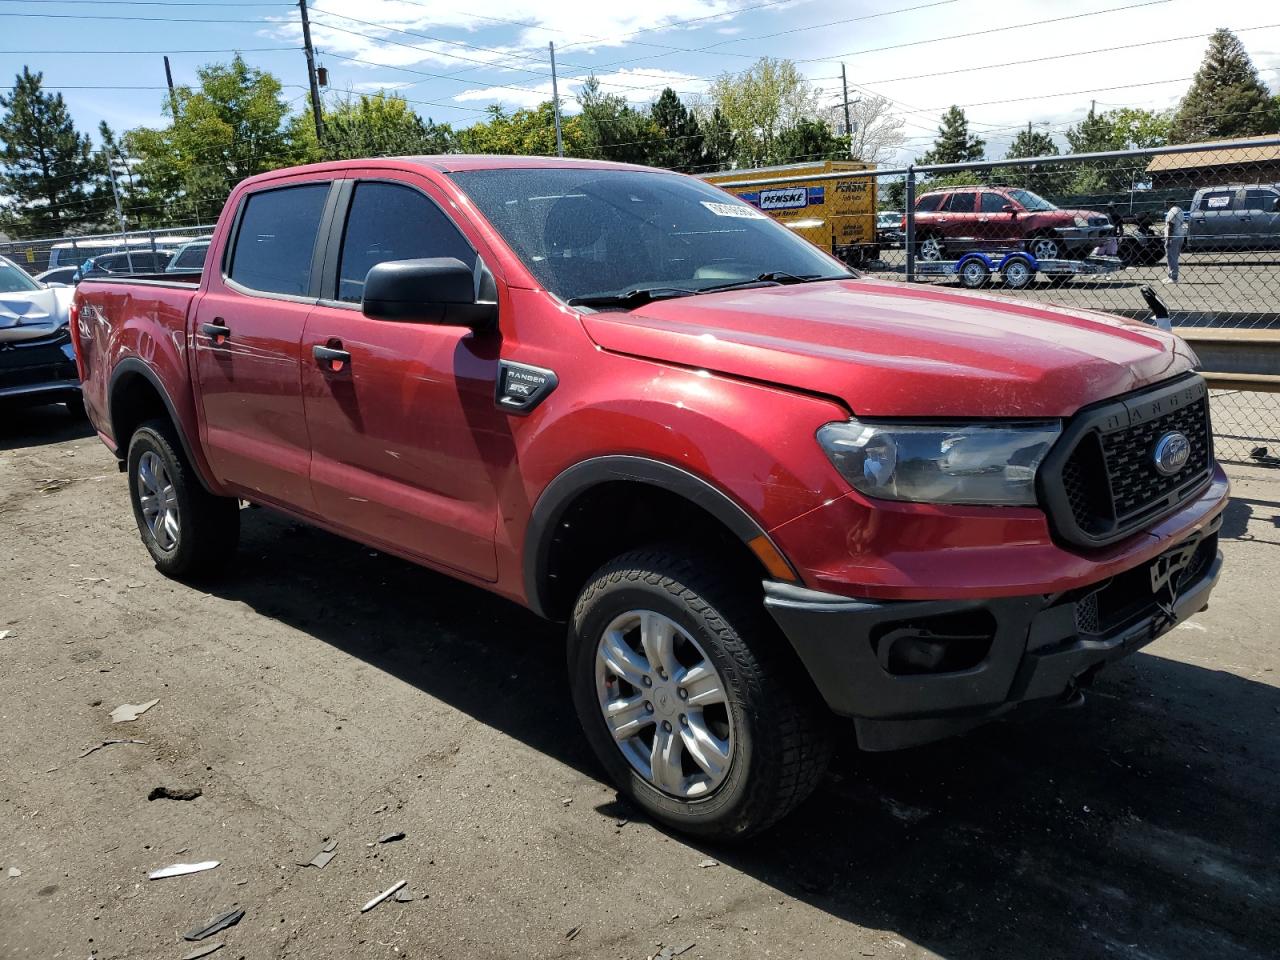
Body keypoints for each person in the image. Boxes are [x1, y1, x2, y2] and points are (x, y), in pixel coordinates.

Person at [1164, 204, 1186, 283]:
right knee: (1174, 257)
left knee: (1171, 258)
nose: (1165, 206)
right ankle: (1170, 275)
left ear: (1169, 203)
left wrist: (1169, 239)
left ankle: (1174, 277)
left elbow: (1171, 226)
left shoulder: (1172, 211)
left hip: (1173, 237)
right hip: (1180, 236)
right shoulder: (1180, 210)